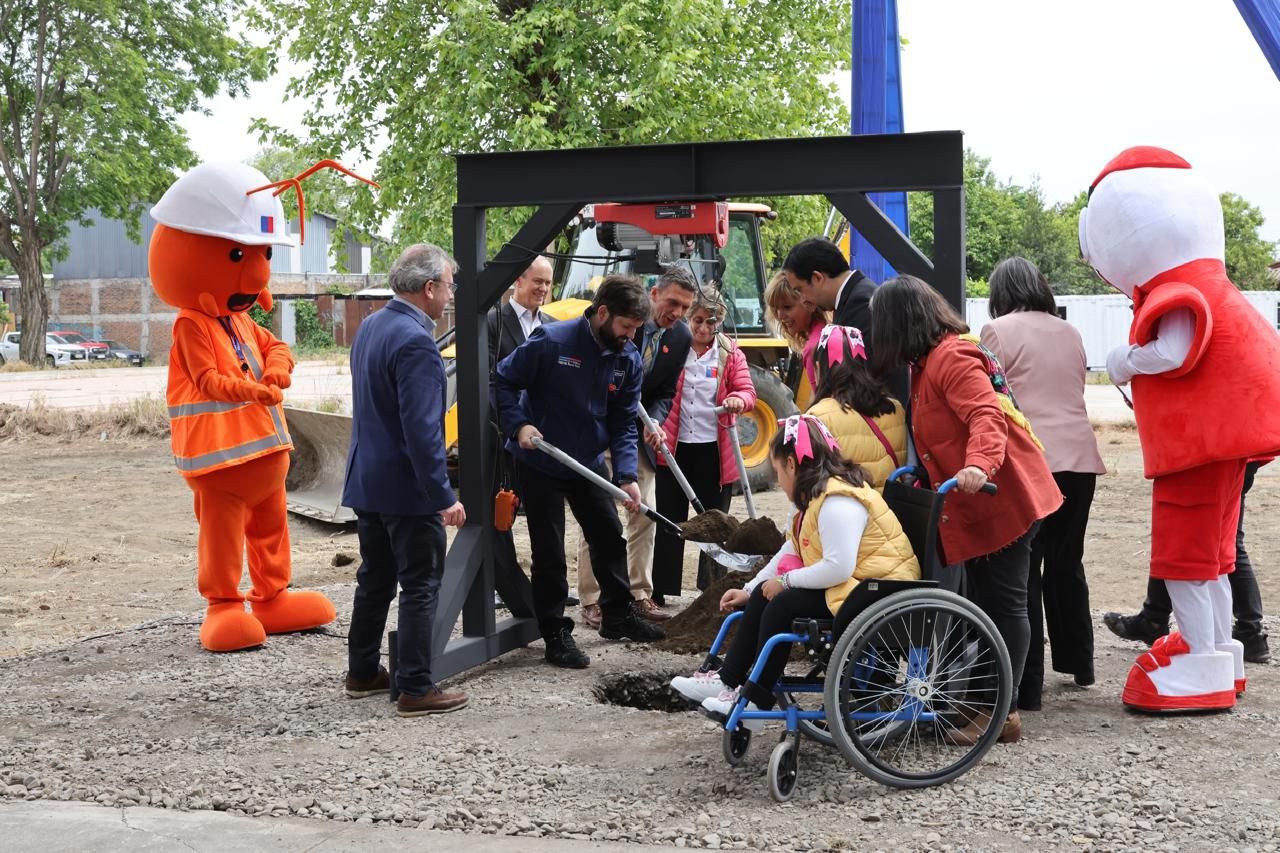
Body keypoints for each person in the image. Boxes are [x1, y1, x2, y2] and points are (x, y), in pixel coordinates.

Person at [1079, 146, 1280, 710]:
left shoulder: (1177, 291)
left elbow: (1174, 350)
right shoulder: (1215, 284)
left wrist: (1123, 360)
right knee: (1215, 556)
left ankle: (1199, 660)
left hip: (1198, 447)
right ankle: (1216, 649)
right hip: (1224, 444)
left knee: (1186, 557)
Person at [869, 274, 1062, 743]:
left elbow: (985, 415)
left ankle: (1004, 713)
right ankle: (980, 704)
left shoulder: (951, 356)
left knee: (1006, 605)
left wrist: (979, 465)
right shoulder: (926, 363)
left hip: (1005, 496)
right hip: (978, 500)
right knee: (982, 605)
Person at [669, 415, 920, 722]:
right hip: (856, 586)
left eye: (777, 472)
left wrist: (785, 582)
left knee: (782, 602)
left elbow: (838, 567)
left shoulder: (839, 502)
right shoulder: (815, 499)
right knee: (767, 594)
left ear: (791, 464)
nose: (777, 481)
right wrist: (750, 589)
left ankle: (757, 699)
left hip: (878, 591)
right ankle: (728, 680)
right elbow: (791, 549)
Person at [493, 274, 666, 669]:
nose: (630, 336)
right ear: (602, 312)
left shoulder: (627, 358)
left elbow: (624, 422)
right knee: (550, 550)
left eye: (637, 329)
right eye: (625, 327)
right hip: (541, 459)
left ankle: (617, 614)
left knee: (608, 535)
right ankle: (554, 631)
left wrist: (626, 476)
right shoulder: (552, 342)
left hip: (586, 464)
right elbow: (502, 380)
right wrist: (519, 425)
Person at [342, 243, 469, 717]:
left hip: (367, 482)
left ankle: (361, 672)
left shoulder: (373, 325)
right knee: (421, 584)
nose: (451, 294)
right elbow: (422, 430)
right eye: (449, 285)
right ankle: (416, 686)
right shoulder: (416, 341)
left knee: (374, 581)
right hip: (406, 489)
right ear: (430, 288)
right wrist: (442, 495)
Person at [980, 257, 1107, 709]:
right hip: (1080, 458)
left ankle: (1028, 687)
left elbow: (992, 400)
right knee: (1067, 562)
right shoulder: (1070, 331)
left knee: (1023, 572)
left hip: (1033, 462)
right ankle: (1081, 662)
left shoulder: (997, 331)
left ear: (1000, 293)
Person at [577, 267, 695, 625]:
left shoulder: (681, 338)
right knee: (600, 514)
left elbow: (665, 392)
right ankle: (592, 598)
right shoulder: (626, 322)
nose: (677, 312)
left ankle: (639, 592)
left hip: (637, 435)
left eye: (684, 307)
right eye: (673, 302)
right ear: (655, 293)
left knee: (645, 512)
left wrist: (655, 419)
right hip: (601, 427)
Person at [1103, 460, 1270, 665]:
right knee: (1220, 551)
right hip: (1234, 454)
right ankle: (1234, 646)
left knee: (1189, 555)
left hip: (1204, 457)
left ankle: (1204, 666)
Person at [652, 285, 757, 595]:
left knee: (715, 522)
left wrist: (738, 398)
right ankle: (662, 589)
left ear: (719, 321)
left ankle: (711, 589)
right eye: (697, 320)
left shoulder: (729, 353)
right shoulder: (674, 346)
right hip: (675, 446)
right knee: (670, 519)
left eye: (710, 322)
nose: (702, 328)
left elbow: (748, 390)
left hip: (714, 450)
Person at [485, 257, 555, 617]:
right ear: (518, 281)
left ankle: (547, 591)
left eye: (547, 283)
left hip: (543, 442)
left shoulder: (554, 327)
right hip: (502, 438)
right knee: (500, 516)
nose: (542, 289)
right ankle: (515, 595)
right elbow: (485, 382)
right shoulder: (491, 323)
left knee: (546, 518)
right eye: (537, 282)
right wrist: (509, 426)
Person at [782, 237, 906, 403]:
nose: (803, 300)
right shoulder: (855, 299)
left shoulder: (861, 305)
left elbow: (867, 380)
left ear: (817, 278)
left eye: (800, 290)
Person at [806, 324, 907, 490]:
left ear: (818, 368)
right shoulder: (895, 409)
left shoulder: (817, 417)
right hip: (890, 512)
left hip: (850, 511)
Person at [764, 271, 827, 395]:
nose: (780, 316)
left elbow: (823, 404)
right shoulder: (826, 334)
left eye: (787, 307)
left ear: (808, 302)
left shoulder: (814, 347)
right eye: (776, 309)